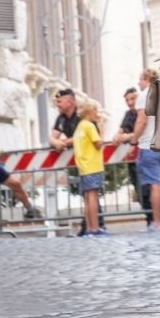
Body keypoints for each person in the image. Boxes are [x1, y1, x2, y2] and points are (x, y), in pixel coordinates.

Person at [50, 87, 102, 234]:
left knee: (89, 195)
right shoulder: (61, 118)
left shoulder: (81, 118)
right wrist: (56, 143)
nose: (57, 104)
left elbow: (84, 135)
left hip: (84, 161)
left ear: (70, 101)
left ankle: (92, 226)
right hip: (87, 163)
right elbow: (53, 136)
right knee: (89, 195)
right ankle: (93, 228)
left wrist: (64, 142)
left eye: (60, 101)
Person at [134, 70, 160, 230]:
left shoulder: (144, 94)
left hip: (148, 144)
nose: (138, 83)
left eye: (140, 79)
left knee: (155, 185)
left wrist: (134, 138)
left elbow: (141, 120)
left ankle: (157, 222)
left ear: (145, 79)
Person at [110, 86, 151, 226]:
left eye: (132, 99)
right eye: (127, 100)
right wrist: (117, 136)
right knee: (138, 190)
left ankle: (154, 219)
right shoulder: (128, 115)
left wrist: (127, 136)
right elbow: (118, 133)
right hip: (133, 159)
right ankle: (149, 219)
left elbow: (143, 131)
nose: (130, 102)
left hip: (145, 154)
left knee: (148, 189)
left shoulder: (145, 111)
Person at [73, 100, 106, 237]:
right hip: (93, 165)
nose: (96, 113)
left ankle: (89, 228)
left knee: (87, 198)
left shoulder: (79, 127)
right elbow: (98, 143)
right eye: (95, 110)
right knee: (93, 197)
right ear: (89, 112)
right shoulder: (89, 126)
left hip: (83, 166)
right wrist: (101, 127)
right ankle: (94, 227)